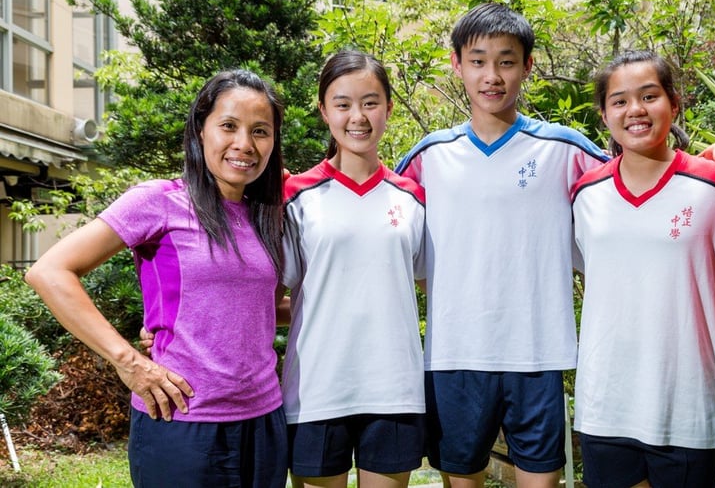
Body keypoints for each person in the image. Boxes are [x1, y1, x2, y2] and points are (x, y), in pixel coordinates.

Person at [395, 3, 715, 488]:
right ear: (457, 64)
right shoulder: (428, 156)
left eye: (506, 61)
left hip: (540, 356)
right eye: (477, 61)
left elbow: (645, 169)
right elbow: (386, 225)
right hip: (453, 356)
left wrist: (709, 156)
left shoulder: (566, 149)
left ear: (527, 66)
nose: (492, 76)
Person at [26, 70, 289, 487]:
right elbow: (49, 272)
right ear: (200, 130)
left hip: (263, 421)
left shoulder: (268, 216)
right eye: (228, 126)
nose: (245, 144)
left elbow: (261, 309)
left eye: (260, 131)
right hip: (182, 420)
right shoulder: (160, 201)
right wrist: (128, 362)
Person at [571, 50, 715, 488]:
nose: (636, 110)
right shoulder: (585, 194)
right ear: (604, 114)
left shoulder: (714, 185)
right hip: (605, 404)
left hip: (687, 407)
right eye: (620, 100)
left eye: (649, 96)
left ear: (674, 103)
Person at [280, 50, 426, 488]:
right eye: (342, 104)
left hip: (395, 390)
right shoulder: (296, 195)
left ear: (389, 108)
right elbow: (266, 297)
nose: (357, 117)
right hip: (316, 389)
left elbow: (425, 286)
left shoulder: (413, 197)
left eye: (370, 102)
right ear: (324, 110)